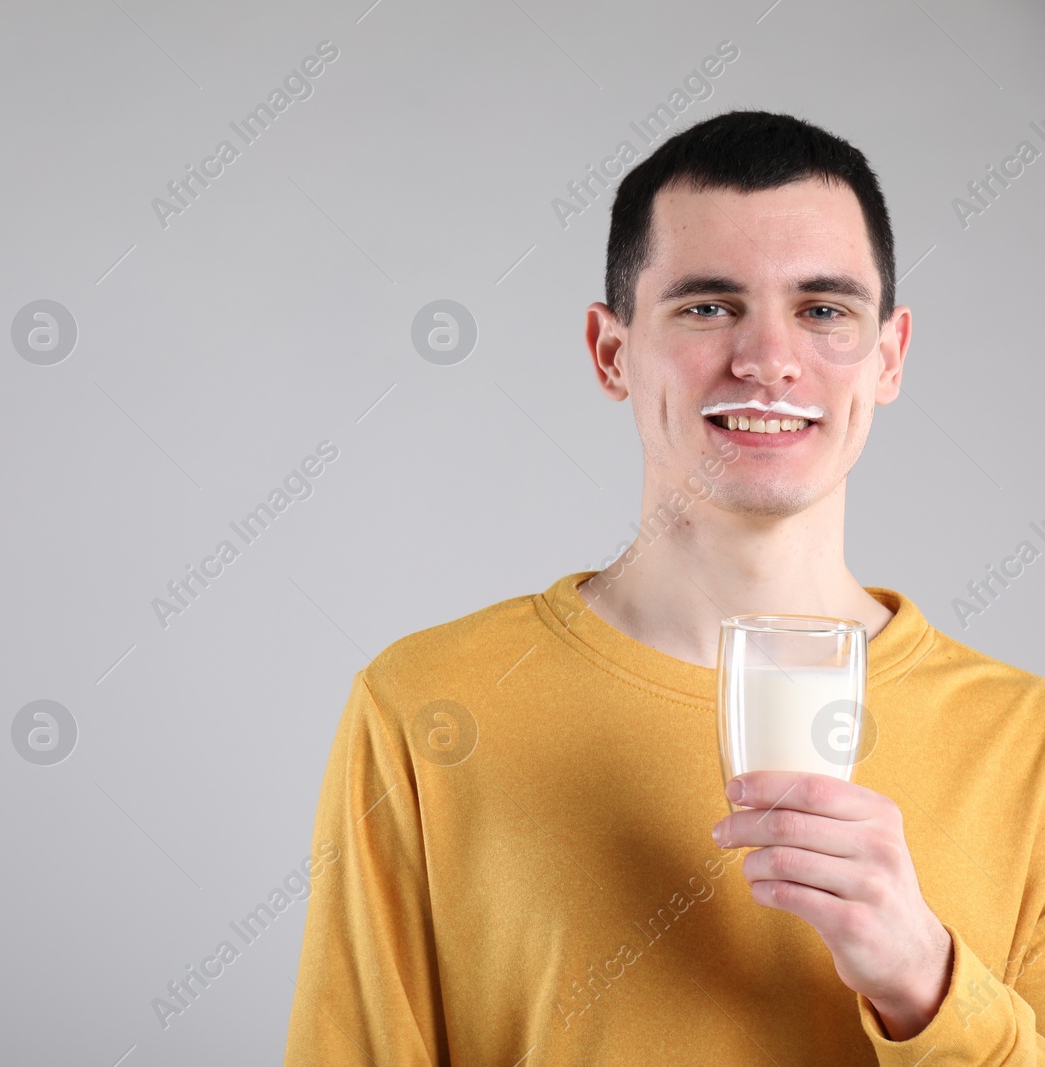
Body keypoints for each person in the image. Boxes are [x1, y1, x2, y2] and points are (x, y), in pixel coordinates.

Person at [282, 109, 1045, 1064]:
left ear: (887, 356)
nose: (768, 358)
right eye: (709, 306)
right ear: (611, 352)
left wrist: (926, 983)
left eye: (823, 310)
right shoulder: (425, 704)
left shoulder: (1029, 748)